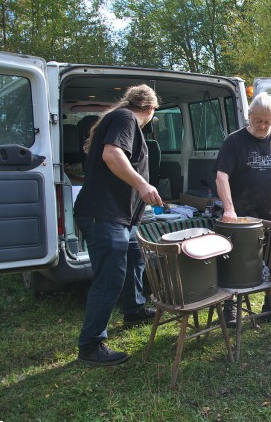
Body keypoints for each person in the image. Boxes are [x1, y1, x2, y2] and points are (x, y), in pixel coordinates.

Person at [74, 84, 162, 366]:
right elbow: (112, 155)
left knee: (136, 258)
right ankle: (91, 345)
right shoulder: (126, 118)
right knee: (110, 277)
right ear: (150, 109)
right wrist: (143, 184)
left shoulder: (120, 118)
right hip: (104, 216)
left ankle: (134, 308)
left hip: (122, 218)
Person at [214, 92, 271, 323]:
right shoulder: (234, 142)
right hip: (241, 220)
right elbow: (221, 177)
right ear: (249, 116)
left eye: (268, 121)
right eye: (259, 121)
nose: (263, 126)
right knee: (234, 263)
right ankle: (230, 308)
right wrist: (228, 210)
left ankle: (269, 305)